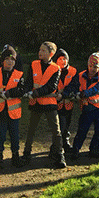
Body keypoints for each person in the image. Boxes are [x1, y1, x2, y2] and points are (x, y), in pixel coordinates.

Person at [23, 41, 67, 169]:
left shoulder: (56, 68)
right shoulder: (34, 64)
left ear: (51, 53)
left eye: (43, 50)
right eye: (40, 49)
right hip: (36, 103)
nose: (40, 52)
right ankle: (26, 154)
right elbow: (28, 82)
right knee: (31, 129)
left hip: (49, 103)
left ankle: (59, 156)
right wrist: (27, 91)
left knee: (56, 131)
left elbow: (51, 87)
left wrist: (35, 93)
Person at [0, 45, 27, 169]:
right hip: (0, 110)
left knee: (15, 135)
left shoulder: (19, 74)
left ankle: (15, 156)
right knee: (0, 134)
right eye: (7, 59)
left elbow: (22, 90)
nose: (10, 61)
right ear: (2, 61)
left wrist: (9, 93)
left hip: (14, 112)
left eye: (12, 59)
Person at [70, 52, 99, 159]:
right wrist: (71, 93)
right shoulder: (80, 75)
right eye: (90, 66)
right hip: (86, 109)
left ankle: (94, 149)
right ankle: (75, 150)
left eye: (95, 67)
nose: (92, 69)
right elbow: (74, 86)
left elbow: (95, 90)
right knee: (82, 130)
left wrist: (82, 94)